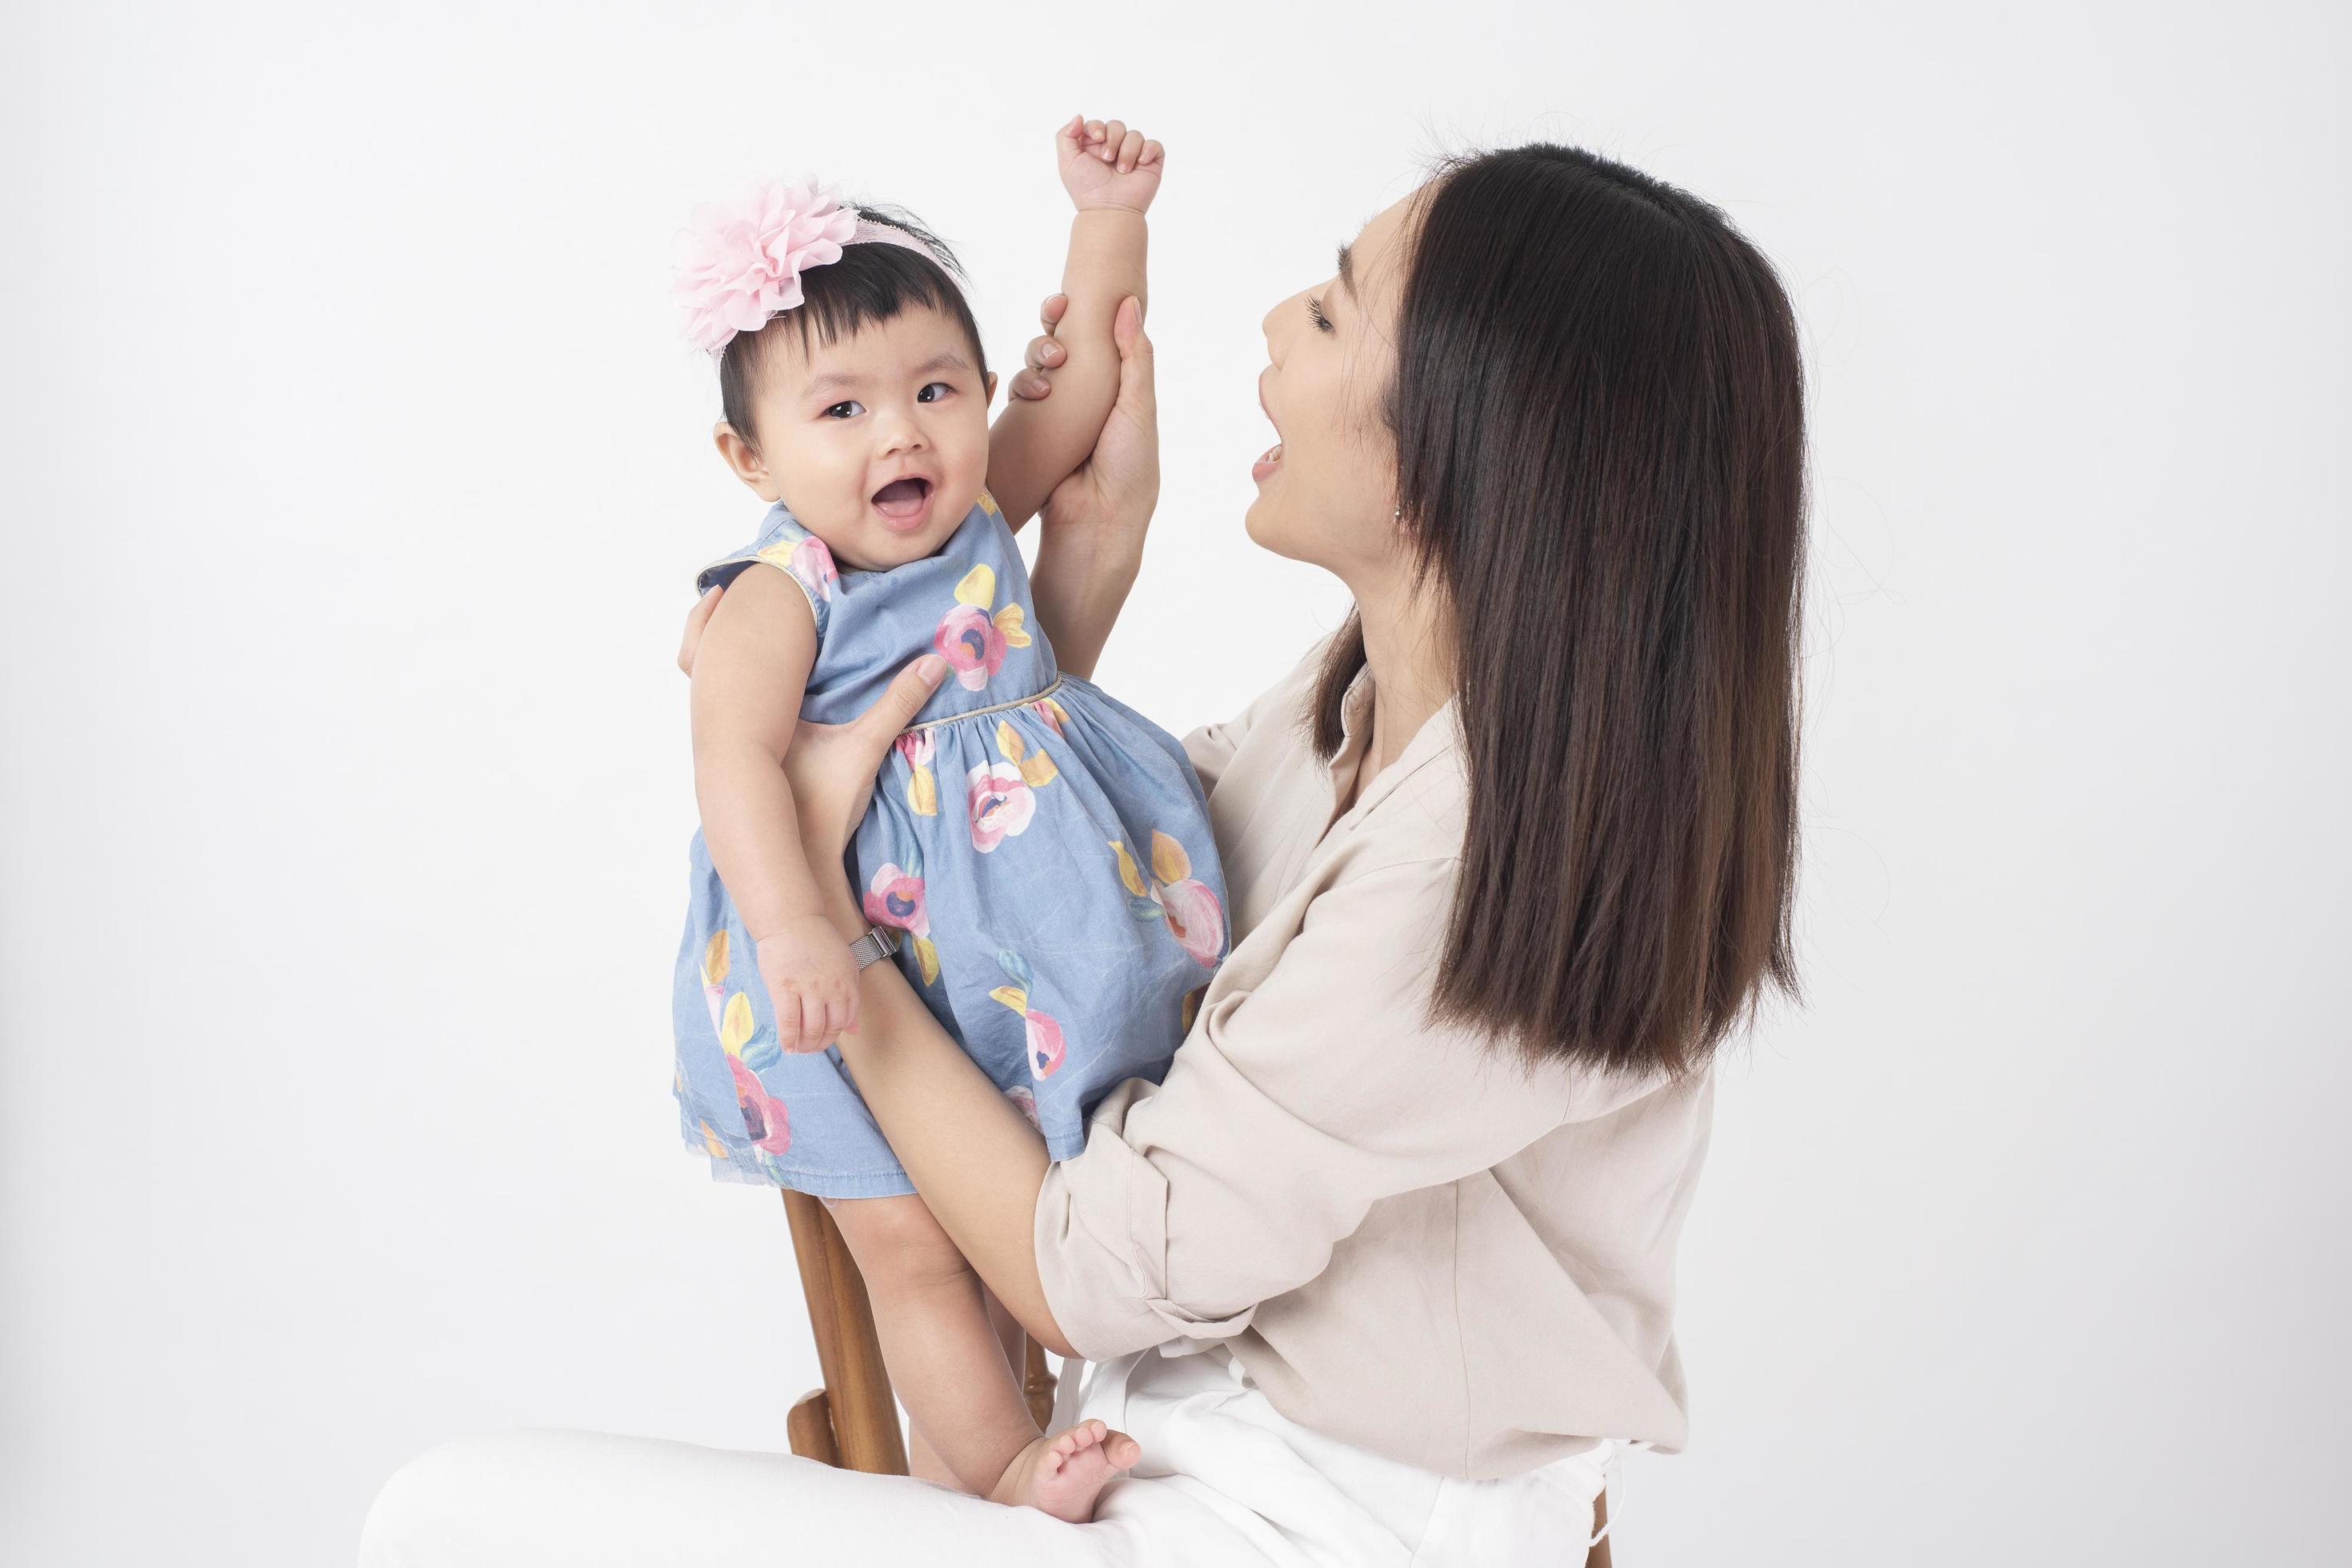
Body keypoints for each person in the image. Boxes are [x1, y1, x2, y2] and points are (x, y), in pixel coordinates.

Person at [359, 139, 1809, 1566]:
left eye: (1329, 308)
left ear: (1459, 448)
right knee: (454, 1508)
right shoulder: (1364, 709)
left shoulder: (1474, 865)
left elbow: (1096, 1269)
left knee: (441, 1513)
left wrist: (818, 899)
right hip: (1164, 1441)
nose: (1271, 323)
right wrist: (1055, 594)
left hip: (1323, 1514)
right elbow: (1096, 867)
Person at [669, 116, 1212, 1520]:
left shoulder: (975, 519)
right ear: (750, 454)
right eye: (839, 409)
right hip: (827, 967)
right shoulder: (777, 593)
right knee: (911, 1245)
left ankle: (971, 1468)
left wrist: (1107, 219)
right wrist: (796, 935)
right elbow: (734, 768)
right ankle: (997, 1466)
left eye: (935, 389)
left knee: (1020, 1217)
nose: (900, 431)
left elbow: (1082, 390)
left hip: (991, 952)